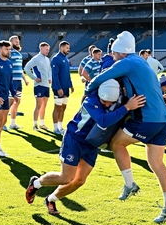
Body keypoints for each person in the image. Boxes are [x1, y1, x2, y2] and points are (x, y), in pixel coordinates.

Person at [85, 31, 166, 224]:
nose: (112, 55)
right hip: (163, 119)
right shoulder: (141, 61)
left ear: (120, 51)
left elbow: (102, 77)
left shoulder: (126, 62)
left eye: (114, 52)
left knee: (117, 144)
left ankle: (130, 185)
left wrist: (88, 90)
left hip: (147, 118)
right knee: (157, 164)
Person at [25, 80, 145, 215]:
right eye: (104, 101)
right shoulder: (91, 100)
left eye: (110, 102)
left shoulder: (118, 97)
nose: (107, 105)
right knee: (66, 178)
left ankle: (51, 199)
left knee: (80, 180)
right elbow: (103, 121)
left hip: (92, 143)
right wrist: (127, 107)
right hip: (75, 139)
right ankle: (36, 183)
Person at [24, 42, 52, 130]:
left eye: (48, 49)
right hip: (39, 85)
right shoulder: (36, 59)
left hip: (46, 85)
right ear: (41, 49)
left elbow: (50, 70)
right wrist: (34, 78)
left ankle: (42, 124)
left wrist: (50, 78)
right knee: (38, 105)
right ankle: (35, 124)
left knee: (44, 105)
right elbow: (26, 68)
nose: (48, 51)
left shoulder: (47, 59)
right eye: (46, 49)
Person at [7, 35, 29, 130]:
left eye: (18, 41)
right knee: (10, 102)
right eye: (15, 41)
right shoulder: (9, 53)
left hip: (18, 81)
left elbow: (20, 69)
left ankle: (12, 123)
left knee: (17, 101)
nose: (17, 42)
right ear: (11, 42)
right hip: (12, 81)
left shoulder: (19, 54)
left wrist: (25, 79)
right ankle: (2, 123)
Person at [51, 41, 73, 135]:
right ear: (61, 48)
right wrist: (58, 88)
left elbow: (67, 74)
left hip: (66, 87)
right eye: (67, 48)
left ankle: (60, 127)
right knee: (58, 107)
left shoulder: (65, 59)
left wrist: (71, 85)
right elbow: (54, 75)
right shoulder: (56, 59)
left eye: (69, 47)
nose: (68, 49)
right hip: (58, 88)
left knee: (63, 107)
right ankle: (55, 128)